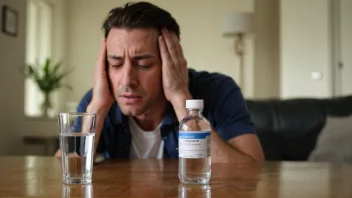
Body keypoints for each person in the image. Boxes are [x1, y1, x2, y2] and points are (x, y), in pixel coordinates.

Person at [56, 2, 264, 165]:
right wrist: (98, 108)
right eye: (116, 63)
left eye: (144, 64)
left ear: (172, 62)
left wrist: (181, 97)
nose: (127, 80)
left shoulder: (218, 90)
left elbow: (251, 170)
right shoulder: (101, 98)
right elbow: (67, 168)